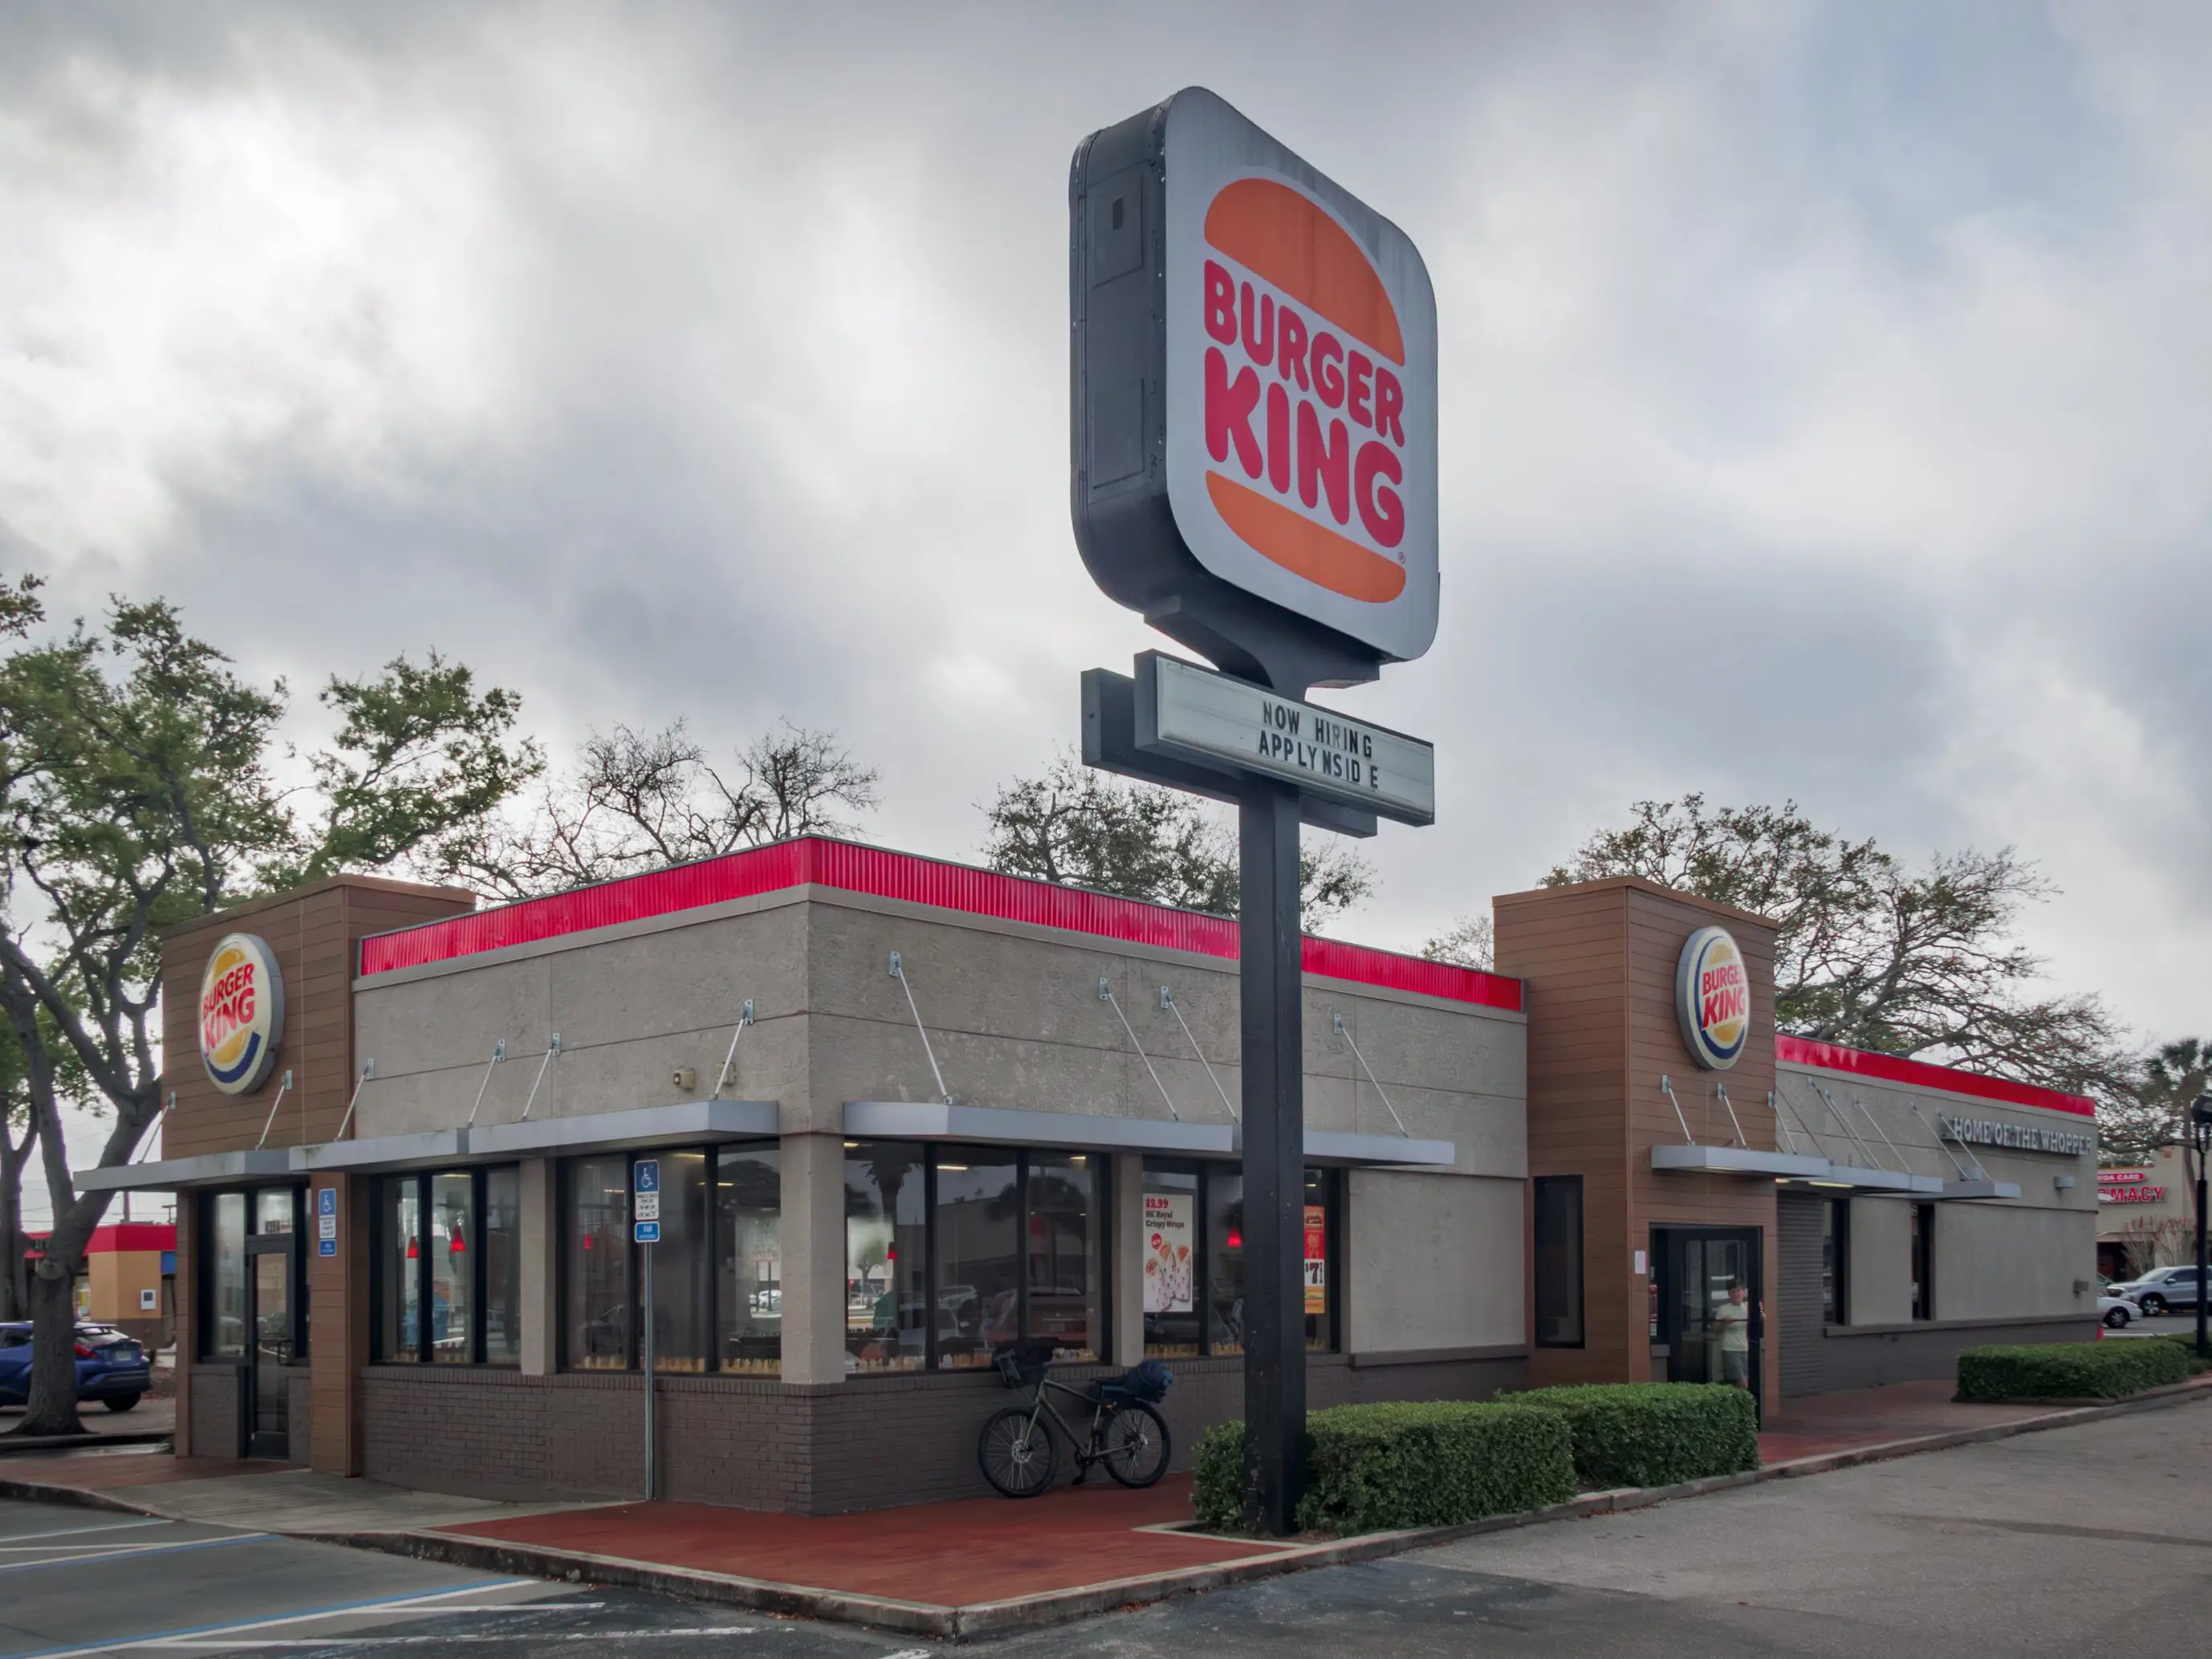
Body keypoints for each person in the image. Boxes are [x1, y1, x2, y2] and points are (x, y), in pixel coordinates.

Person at [1714, 1282, 1754, 1388]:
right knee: (1740, 1382)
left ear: (1743, 1292)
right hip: (1730, 1349)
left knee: (1747, 1380)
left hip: (1746, 1349)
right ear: (1729, 1294)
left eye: (1738, 1291)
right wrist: (1725, 1323)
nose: (1736, 1294)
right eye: (1733, 1292)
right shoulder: (1723, 1308)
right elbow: (1717, 1330)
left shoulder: (1749, 1307)